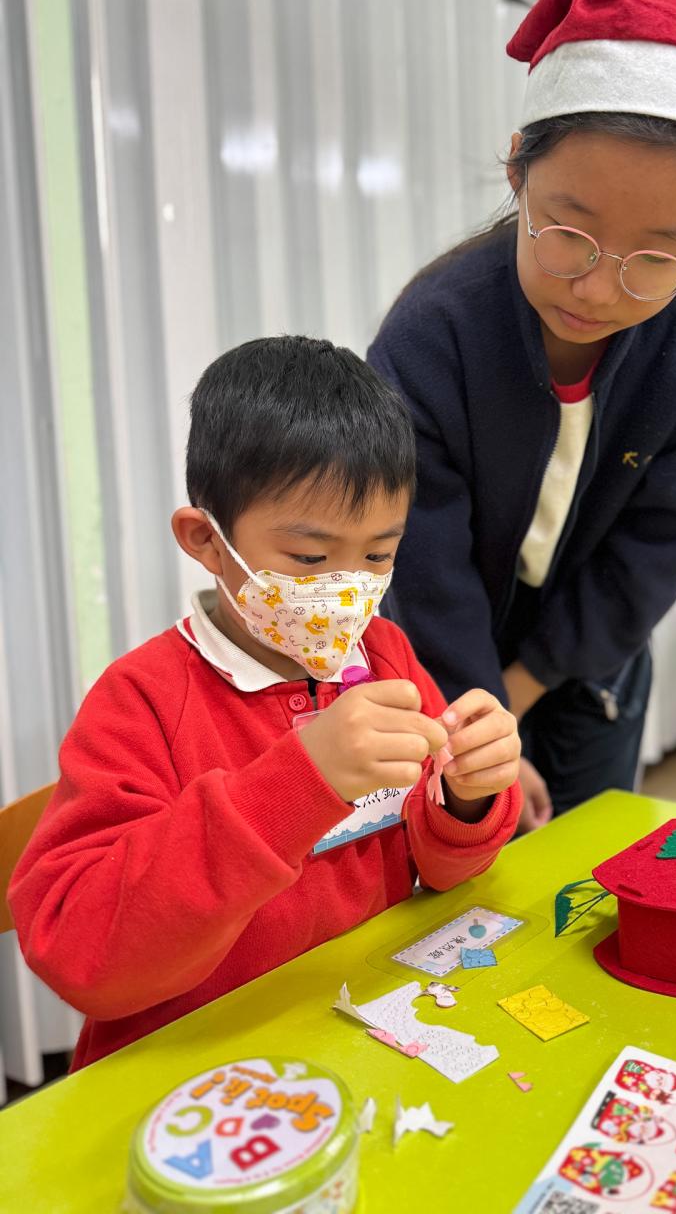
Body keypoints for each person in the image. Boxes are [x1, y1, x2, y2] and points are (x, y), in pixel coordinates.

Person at [10, 337, 521, 1069]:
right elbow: (82, 954)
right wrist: (298, 784)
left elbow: (441, 868)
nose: (348, 589)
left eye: (378, 554)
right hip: (190, 1070)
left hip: (357, 1032)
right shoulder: (144, 700)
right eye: (310, 559)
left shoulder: (383, 655)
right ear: (207, 541)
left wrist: (469, 796)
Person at [368, 0, 676, 831]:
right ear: (518, 169)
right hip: (441, 656)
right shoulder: (436, 331)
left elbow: (660, 542)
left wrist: (524, 688)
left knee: (586, 865)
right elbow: (421, 555)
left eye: (657, 258)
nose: (596, 289)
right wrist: (482, 719)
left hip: (594, 660)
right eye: (569, 232)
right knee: (459, 862)